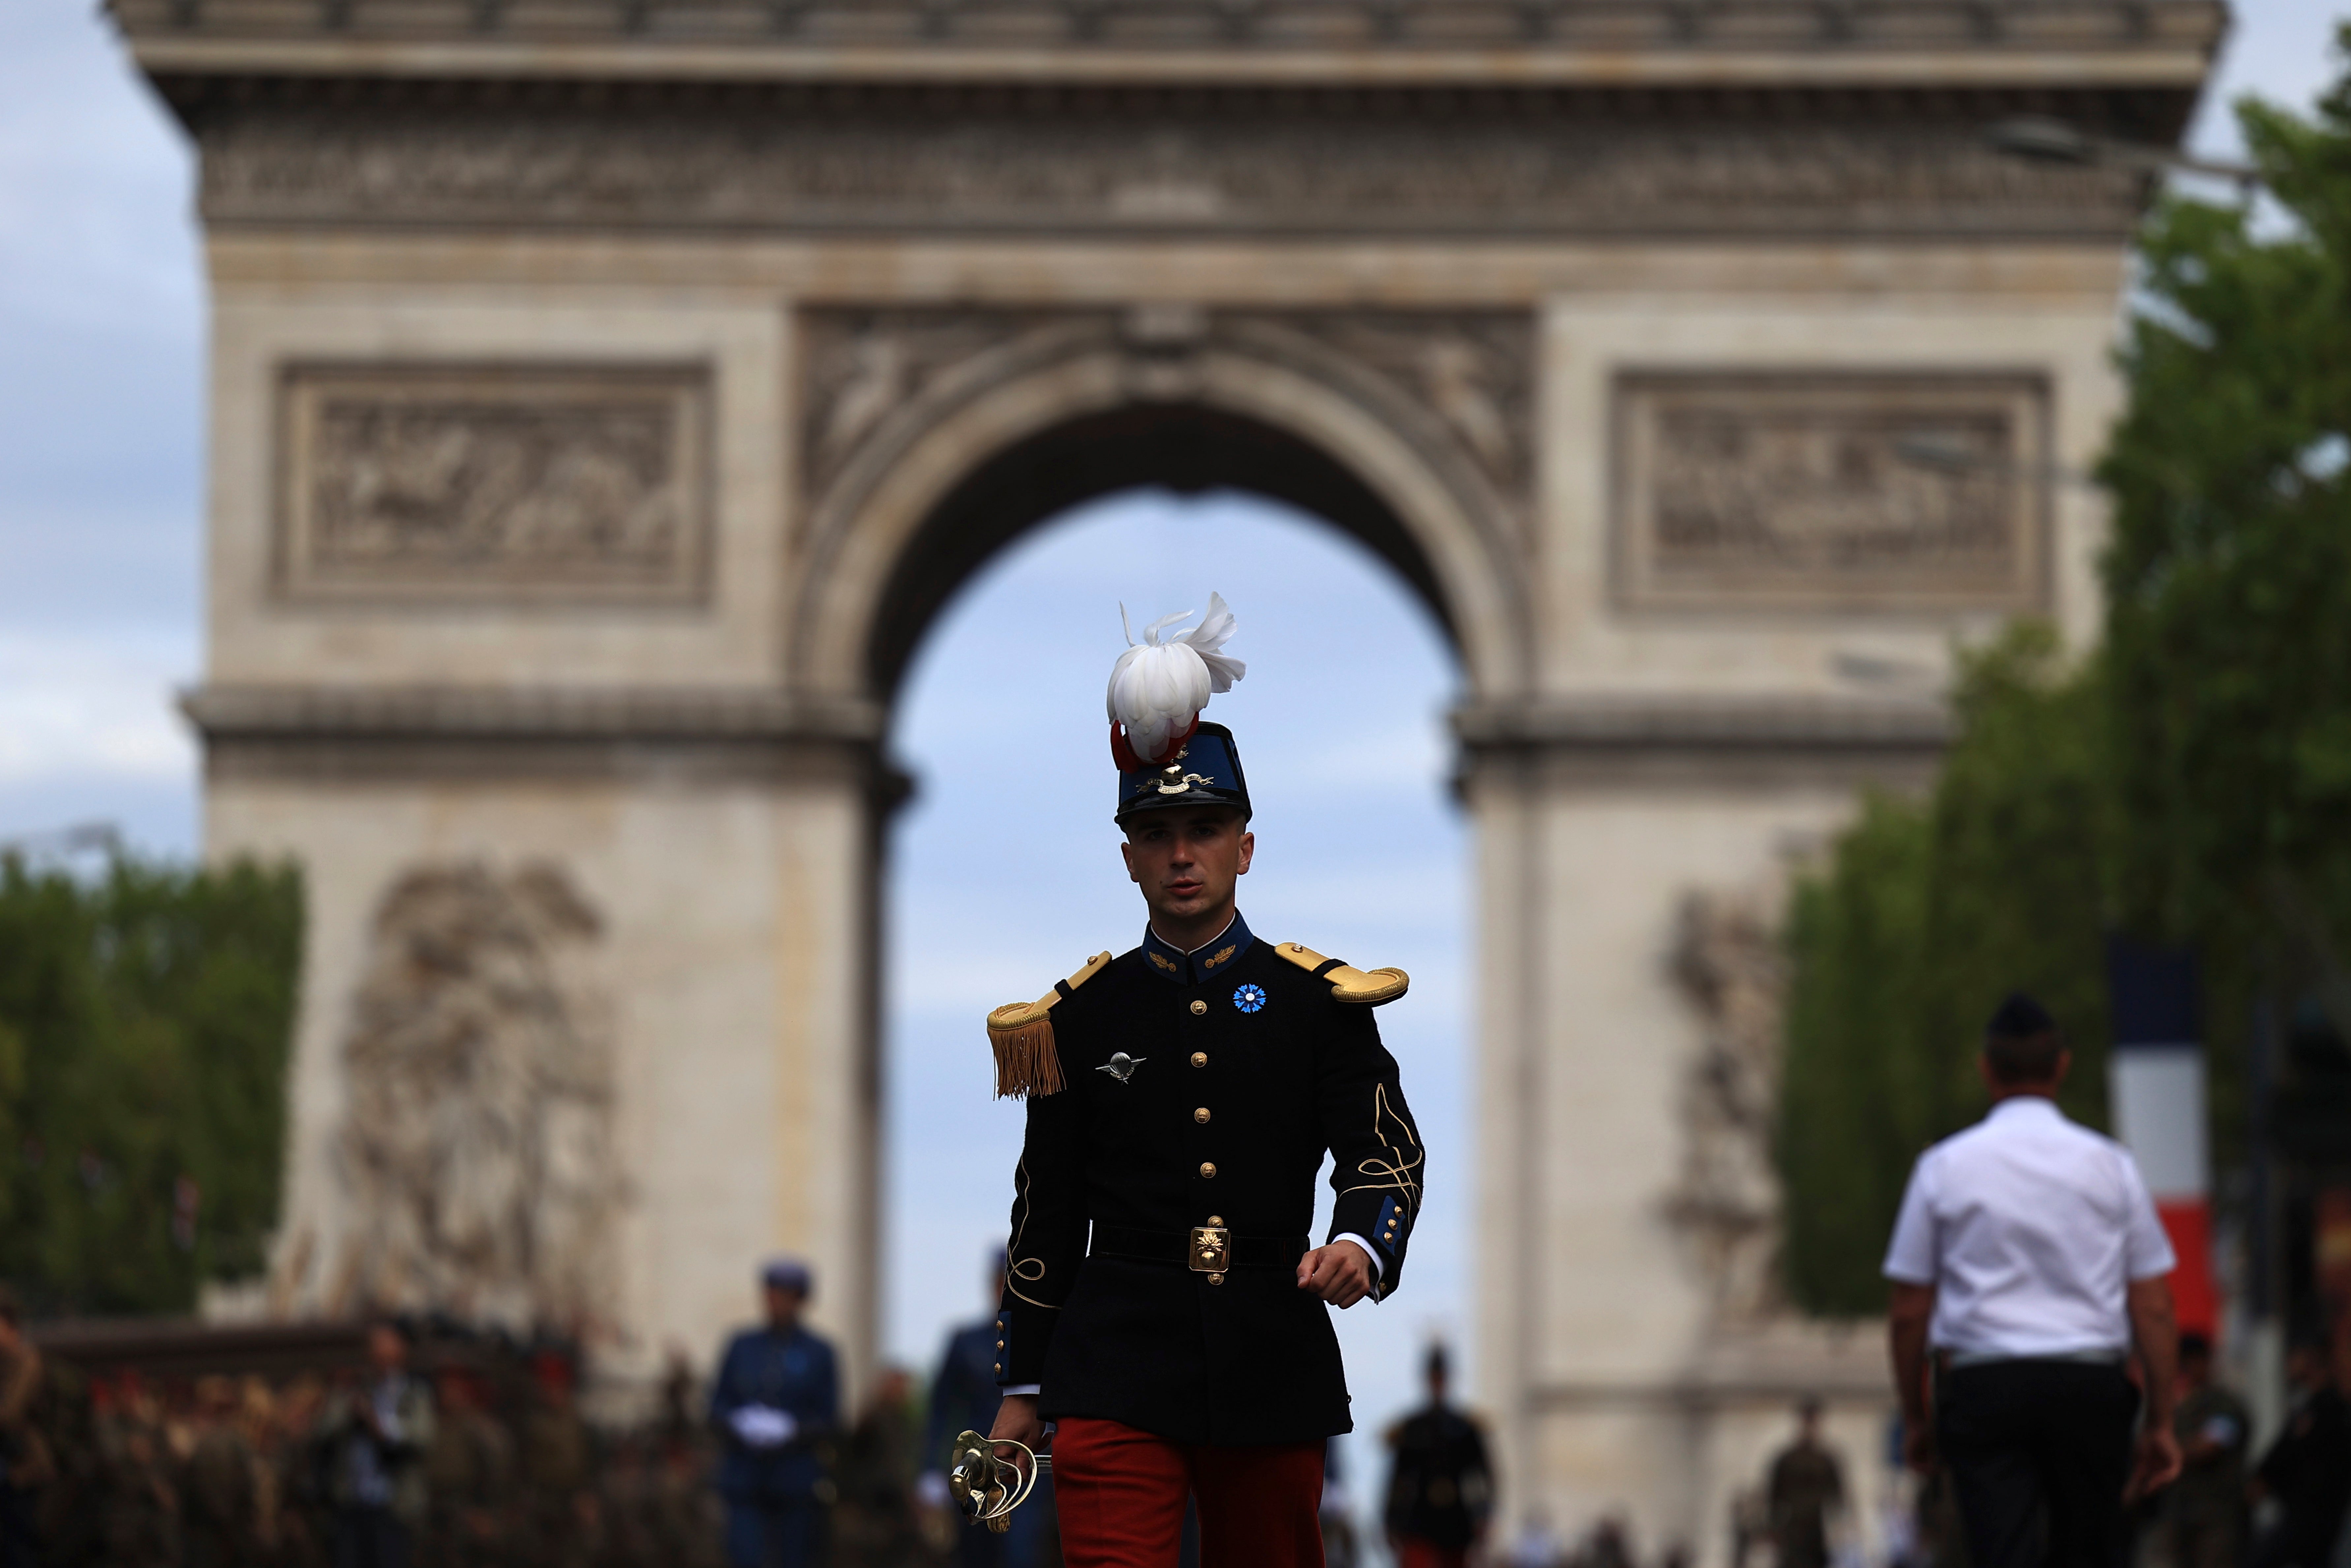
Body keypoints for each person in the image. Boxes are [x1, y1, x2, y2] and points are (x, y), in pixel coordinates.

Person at [983, 596, 1426, 1568]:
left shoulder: (1319, 1004)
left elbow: (1382, 1149)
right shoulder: (1075, 1021)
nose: (1182, 854)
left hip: (1270, 1350)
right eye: (1158, 833)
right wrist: (1021, 1385)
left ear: (1245, 846)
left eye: (1206, 827)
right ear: (1129, 858)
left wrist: (1359, 1241)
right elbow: (1045, 1218)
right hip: (1112, 1360)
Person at [1884, 992, 2182, 1568]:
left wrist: (1916, 1416)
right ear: (2062, 1066)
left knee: (2000, 1552)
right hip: (2089, 1384)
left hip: (1984, 1385)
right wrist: (2161, 1421)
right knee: (2089, 1552)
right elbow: (2153, 1306)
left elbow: (1908, 1311)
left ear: (1986, 1069)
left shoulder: (1942, 1167)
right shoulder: (2112, 1165)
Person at [924, 1251, 1053, 1567]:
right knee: (975, 1555)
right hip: (977, 1470)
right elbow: (940, 1411)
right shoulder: (966, 1341)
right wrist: (929, 1470)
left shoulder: (1048, 1344)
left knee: (1022, 1555)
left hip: (1027, 1471)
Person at [711, 1258, 840, 1568]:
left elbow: (831, 1418)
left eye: (785, 1295)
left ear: (800, 1300)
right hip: (745, 1480)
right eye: (771, 1294)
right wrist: (740, 1423)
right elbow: (717, 1406)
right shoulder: (742, 1346)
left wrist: (791, 1430)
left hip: (795, 1484)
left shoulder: (819, 1352)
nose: (776, 1302)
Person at [315, 1318, 435, 1568]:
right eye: (375, 1345)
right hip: (352, 1504)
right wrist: (350, 1408)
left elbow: (422, 1436)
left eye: (387, 1344)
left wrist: (380, 1427)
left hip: (394, 1507)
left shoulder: (414, 1393)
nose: (380, 1352)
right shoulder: (355, 1388)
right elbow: (324, 1430)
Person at [1382, 1344, 1493, 1568]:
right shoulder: (1411, 1429)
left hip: (1457, 1523)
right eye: (1435, 1377)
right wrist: (1392, 1523)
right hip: (1418, 1521)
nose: (1437, 1383)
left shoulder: (1466, 1428)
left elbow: (1482, 1478)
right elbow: (1398, 1481)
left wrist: (1482, 1517)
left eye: (1440, 1377)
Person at [2247, 1336, 2351, 1568]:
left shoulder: (2330, 1407)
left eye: (2295, 1355)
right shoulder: (2308, 1404)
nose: (2289, 1363)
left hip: (2316, 1516)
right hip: (2303, 1514)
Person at [2162, 1331, 2248, 1568]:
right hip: (2182, 1514)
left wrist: (2169, 1452)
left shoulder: (2223, 1404)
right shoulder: (2181, 1405)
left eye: (2192, 1361)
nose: (2186, 1369)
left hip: (2216, 1516)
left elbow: (2211, 1446)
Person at [1763, 1399, 1845, 1568]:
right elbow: (1773, 1496)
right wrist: (1774, 1529)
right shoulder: (1788, 1459)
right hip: (1793, 1530)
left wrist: (1839, 1531)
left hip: (1818, 1531)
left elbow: (1838, 1497)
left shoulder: (1825, 1460)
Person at [0, 1289, 48, 1568]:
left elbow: (10, 1415)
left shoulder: (27, 1362)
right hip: (9, 1471)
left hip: (26, 1470)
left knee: (20, 1548)